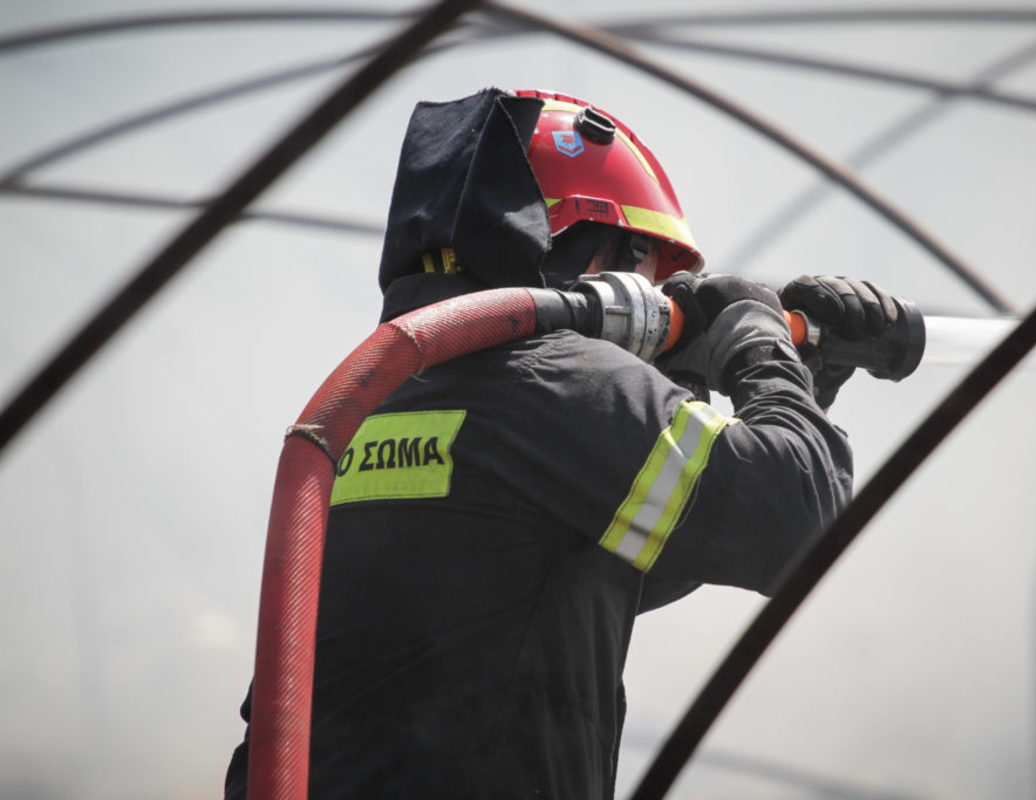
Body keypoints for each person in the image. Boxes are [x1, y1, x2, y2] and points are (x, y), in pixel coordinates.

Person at [224, 87, 901, 799]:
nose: (657, 305)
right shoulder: (557, 384)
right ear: (593, 253)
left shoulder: (377, 401)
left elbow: (614, 565)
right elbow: (797, 524)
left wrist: (802, 394)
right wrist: (760, 345)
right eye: (649, 274)